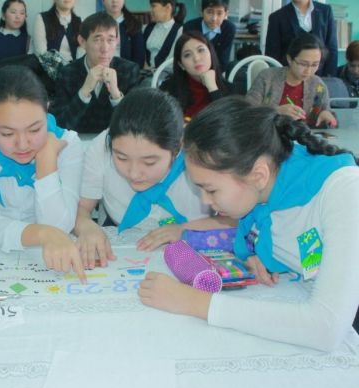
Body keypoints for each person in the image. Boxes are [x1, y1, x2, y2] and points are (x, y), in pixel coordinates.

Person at [138, 96, 359, 352]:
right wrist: (260, 253)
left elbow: (326, 328)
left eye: (211, 190)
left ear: (258, 175)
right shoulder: (263, 192)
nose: (206, 201)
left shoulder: (345, 191)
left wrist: (197, 303)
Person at [74, 88, 231, 268]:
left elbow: (237, 220)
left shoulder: (204, 157)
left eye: (149, 162)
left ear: (177, 148)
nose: (134, 173)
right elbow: (82, 209)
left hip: (194, 251)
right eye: (121, 158)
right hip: (125, 250)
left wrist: (185, 231)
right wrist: (86, 226)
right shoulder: (101, 147)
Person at [0, 65, 86, 282]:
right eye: (7, 133)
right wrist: (42, 234)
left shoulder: (67, 144)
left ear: (47, 110)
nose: (23, 144)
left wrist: (46, 162)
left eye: (35, 130)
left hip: (47, 262)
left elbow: (60, 228)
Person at [51, 12, 140, 134]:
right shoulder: (67, 73)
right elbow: (59, 126)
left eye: (110, 40)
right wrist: (84, 92)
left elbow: (136, 127)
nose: (105, 48)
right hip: (77, 141)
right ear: (82, 41)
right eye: (97, 40)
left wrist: (116, 95)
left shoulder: (129, 70)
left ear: (117, 41)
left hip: (115, 142)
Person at [246, 32, 336, 129]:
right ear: (289, 59)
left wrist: (328, 117)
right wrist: (276, 111)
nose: (308, 71)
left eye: (315, 65)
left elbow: (332, 120)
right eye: (303, 64)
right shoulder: (267, 78)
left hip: (303, 136)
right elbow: (246, 112)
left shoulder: (318, 85)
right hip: (267, 134)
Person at [160, 31, 231, 121]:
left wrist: (213, 88)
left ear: (211, 53)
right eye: (187, 55)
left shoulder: (230, 89)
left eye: (201, 50)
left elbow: (227, 121)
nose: (196, 58)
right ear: (181, 65)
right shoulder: (168, 90)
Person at [265, 0, 337, 77]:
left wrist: (329, 77)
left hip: (320, 75)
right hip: (289, 76)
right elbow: (272, 53)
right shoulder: (277, 16)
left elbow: (331, 47)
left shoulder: (325, 11)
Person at [0, 0, 31, 74]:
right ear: (3, 16)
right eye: (13, 12)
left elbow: (30, 72)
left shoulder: (28, 40)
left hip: (22, 81)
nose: (18, 16)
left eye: (22, 13)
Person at [183, 0, 235, 69]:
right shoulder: (189, 27)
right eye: (209, 12)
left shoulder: (229, 28)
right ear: (201, 12)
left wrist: (211, 73)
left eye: (219, 13)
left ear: (225, 14)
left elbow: (223, 61)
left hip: (216, 71)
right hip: (193, 70)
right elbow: (187, 57)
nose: (214, 18)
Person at [143, 0, 186, 69]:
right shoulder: (147, 28)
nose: (150, 10)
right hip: (147, 72)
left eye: (153, 6)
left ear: (168, 7)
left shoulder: (180, 31)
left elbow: (173, 61)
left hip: (168, 73)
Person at [103, 0, 144, 68]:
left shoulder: (134, 24)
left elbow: (139, 57)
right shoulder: (95, 23)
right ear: (103, 1)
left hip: (126, 71)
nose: (114, 1)